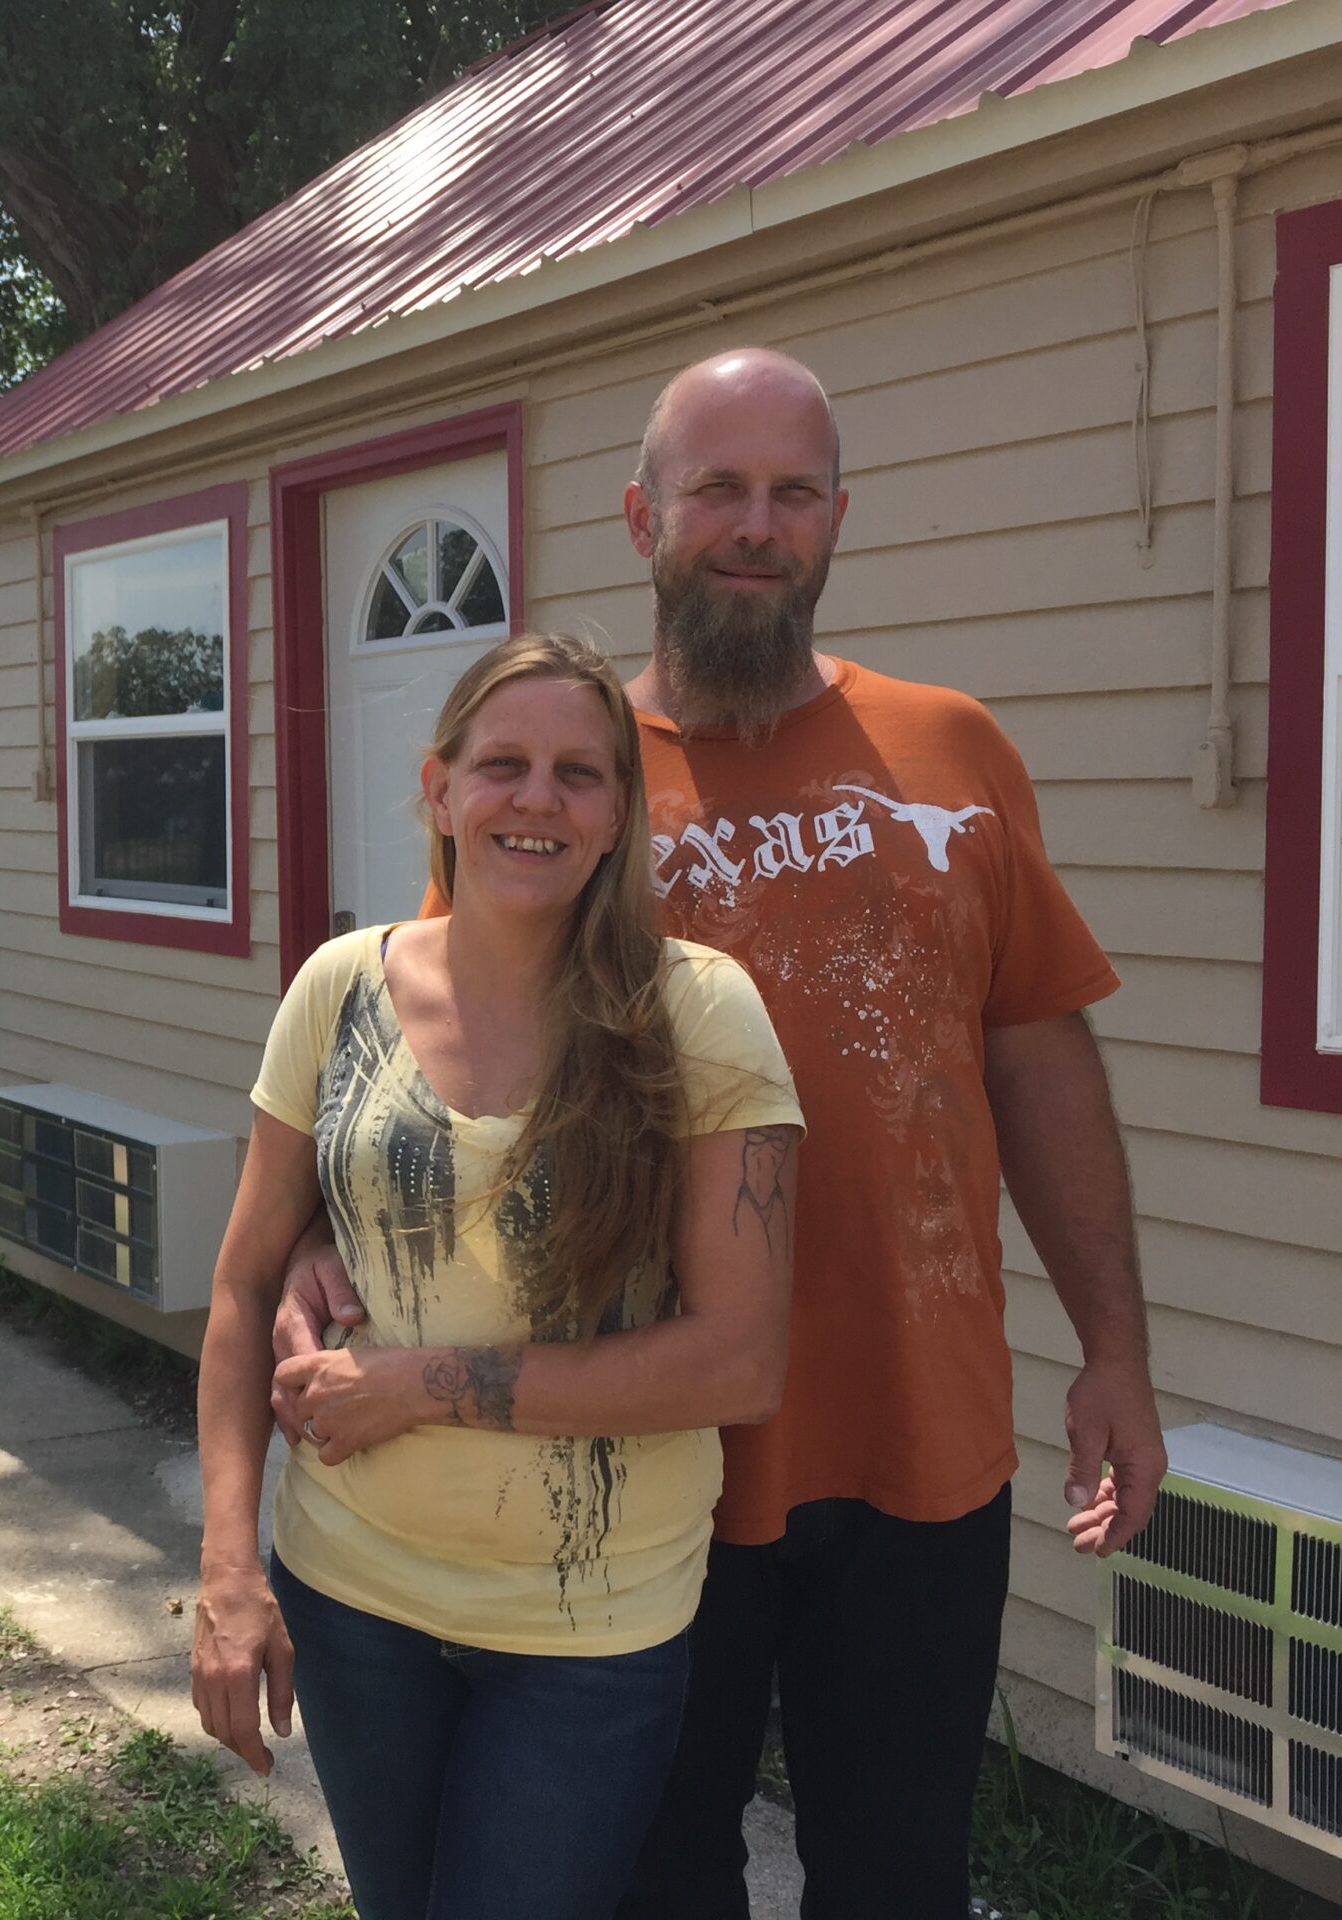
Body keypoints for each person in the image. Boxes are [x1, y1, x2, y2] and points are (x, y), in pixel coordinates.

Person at [271, 349, 1167, 1918]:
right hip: (631, 1455)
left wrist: (1118, 1351)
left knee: (897, 1878)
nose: (757, 526)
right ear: (643, 517)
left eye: (793, 493)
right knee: (654, 1883)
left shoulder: (953, 752)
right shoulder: (561, 781)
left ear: (836, 521)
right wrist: (302, 1237)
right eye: (718, 491)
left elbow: (1039, 1057)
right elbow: (420, 1056)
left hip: (914, 1434)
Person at [190, 630, 807, 1920]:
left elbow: (739, 1363)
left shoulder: (696, 1013)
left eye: (580, 773)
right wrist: (230, 1572)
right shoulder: (339, 989)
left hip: (591, 1628)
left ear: (620, 814)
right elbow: (244, 1286)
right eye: (502, 764)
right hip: (350, 1591)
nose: (538, 799)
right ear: (438, 790)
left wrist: (420, 1383)